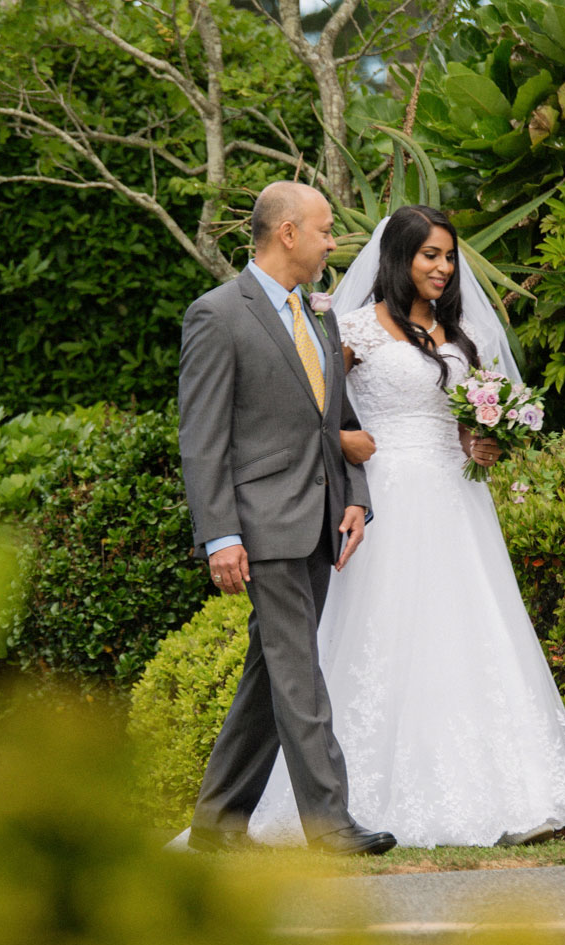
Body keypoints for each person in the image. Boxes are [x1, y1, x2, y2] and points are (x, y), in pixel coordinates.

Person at [245, 205, 565, 848]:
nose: (442, 267)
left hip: (456, 505)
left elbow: (464, 422)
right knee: (385, 635)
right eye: (429, 254)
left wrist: (480, 443)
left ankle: (501, 798)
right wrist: (346, 439)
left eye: (449, 256)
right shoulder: (352, 330)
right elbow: (307, 410)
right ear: (399, 258)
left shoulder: (462, 335)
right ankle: (354, 803)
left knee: (466, 635)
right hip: (387, 499)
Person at [177, 181, 397, 856]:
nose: (336, 242)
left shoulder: (322, 315)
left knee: (272, 672)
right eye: (326, 229)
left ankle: (217, 823)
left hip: (322, 518)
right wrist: (221, 534)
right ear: (288, 234)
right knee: (298, 668)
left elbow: (337, 420)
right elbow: (203, 436)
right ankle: (330, 824)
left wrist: (355, 493)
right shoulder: (217, 315)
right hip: (262, 524)